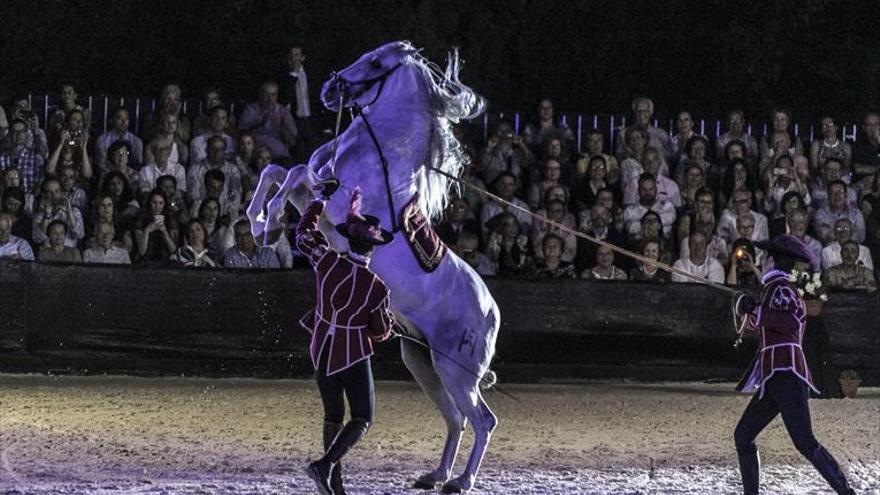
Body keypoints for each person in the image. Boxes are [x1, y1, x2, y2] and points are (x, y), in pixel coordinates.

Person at [733, 235, 856, 495]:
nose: (763, 262)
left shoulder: (782, 289)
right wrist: (748, 309)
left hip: (786, 375)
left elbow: (789, 323)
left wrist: (757, 310)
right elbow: (766, 326)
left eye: (766, 258)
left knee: (805, 442)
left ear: (774, 261)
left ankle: (846, 492)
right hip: (776, 378)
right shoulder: (775, 289)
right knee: (744, 435)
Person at [300, 181, 395, 495]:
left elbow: (302, 232)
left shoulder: (327, 263)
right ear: (373, 247)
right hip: (352, 355)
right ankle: (325, 467)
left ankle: (334, 484)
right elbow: (380, 332)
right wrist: (388, 324)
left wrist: (320, 199)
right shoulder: (377, 287)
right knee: (363, 417)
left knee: (333, 415)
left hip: (320, 349)